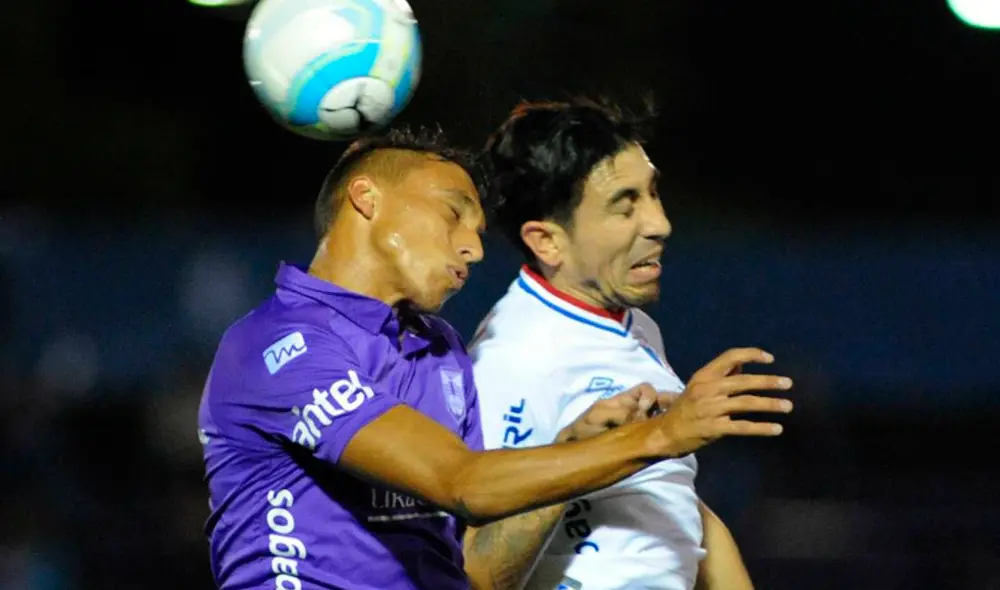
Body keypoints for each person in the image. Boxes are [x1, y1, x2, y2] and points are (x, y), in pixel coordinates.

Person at [197, 128, 794, 590]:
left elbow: (480, 573)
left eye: (481, 229)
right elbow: (462, 483)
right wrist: (666, 434)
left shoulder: (440, 352)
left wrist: (566, 451)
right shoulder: (275, 346)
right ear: (366, 198)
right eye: (454, 213)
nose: (474, 247)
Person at [470, 98, 779, 590]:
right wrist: (574, 456)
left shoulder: (629, 324)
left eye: (653, 194)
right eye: (625, 206)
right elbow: (475, 571)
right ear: (547, 241)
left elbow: (673, 500)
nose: (659, 224)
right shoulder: (515, 357)